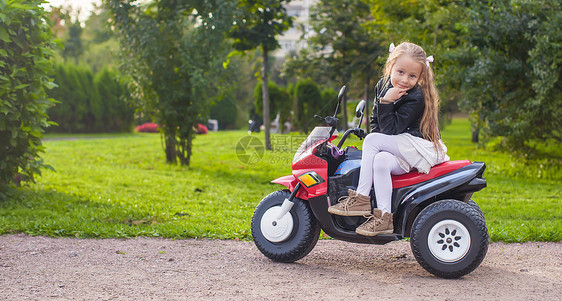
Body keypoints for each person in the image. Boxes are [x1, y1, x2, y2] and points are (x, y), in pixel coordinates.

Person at [328, 42, 450, 236]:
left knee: (370, 141)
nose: (404, 80)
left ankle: (361, 197)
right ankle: (385, 217)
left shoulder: (416, 97)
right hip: (400, 147)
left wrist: (386, 102)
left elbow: (391, 131)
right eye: (400, 72)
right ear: (390, 67)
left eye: (412, 76)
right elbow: (378, 125)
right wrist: (385, 100)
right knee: (381, 161)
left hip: (417, 147)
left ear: (420, 77)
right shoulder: (382, 86)